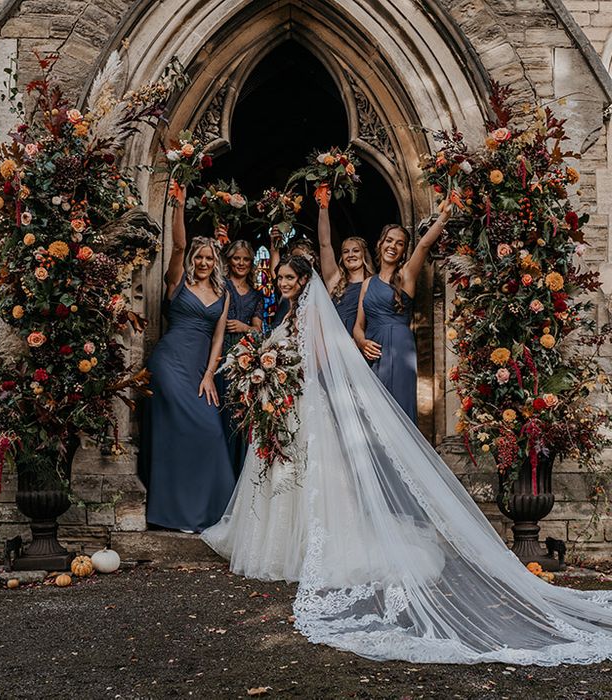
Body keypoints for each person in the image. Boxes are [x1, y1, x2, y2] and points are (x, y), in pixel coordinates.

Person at [203, 257, 612, 666]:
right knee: (283, 478)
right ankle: (279, 548)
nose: (284, 283)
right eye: (281, 279)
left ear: (303, 280)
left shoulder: (313, 316)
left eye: (289, 278)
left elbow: (323, 364)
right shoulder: (289, 314)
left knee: (311, 481)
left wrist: (284, 378)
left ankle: (306, 551)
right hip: (284, 411)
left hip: (303, 409)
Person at [141, 186, 235, 533]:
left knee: (209, 432)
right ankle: (175, 514)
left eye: (209, 258)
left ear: (216, 262)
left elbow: (219, 338)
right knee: (179, 432)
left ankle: (208, 514)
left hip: (199, 368)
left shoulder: (222, 294)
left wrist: (210, 374)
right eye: (200, 257)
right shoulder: (177, 281)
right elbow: (178, 244)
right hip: (169, 362)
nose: (204, 262)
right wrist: (179, 203)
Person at [354, 208, 451, 423]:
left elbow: (424, 245)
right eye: (389, 240)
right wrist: (361, 342)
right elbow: (358, 325)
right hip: (372, 348)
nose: (393, 246)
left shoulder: (406, 275)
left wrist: (444, 216)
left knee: (397, 408)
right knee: (371, 410)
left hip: (398, 346)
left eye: (400, 244)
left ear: (404, 251)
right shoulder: (367, 283)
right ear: (380, 243)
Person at [218, 239, 264, 476]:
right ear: (229, 260)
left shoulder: (257, 295)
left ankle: (239, 472)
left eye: (246, 259)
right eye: (237, 258)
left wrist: (244, 327)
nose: (241, 263)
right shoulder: (221, 285)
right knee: (221, 413)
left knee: (241, 414)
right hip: (220, 351)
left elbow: (259, 330)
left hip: (244, 356)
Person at [316, 193, 374, 336]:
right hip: (335, 341)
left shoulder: (374, 283)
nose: (350, 255)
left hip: (363, 342)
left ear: (364, 254)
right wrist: (323, 207)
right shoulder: (335, 280)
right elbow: (324, 245)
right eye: (346, 252)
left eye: (355, 251)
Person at [268, 231, 319, 330]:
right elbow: (276, 272)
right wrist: (275, 246)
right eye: (295, 258)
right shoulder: (286, 289)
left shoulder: (314, 300)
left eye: (302, 259)